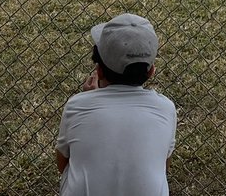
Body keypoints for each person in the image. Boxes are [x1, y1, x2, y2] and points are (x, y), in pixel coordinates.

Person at [55, 13, 177, 196]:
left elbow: (62, 164)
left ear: (99, 71)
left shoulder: (76, 105)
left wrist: (90, 99)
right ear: (151, 71)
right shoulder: (166, 108)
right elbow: (164, 166)